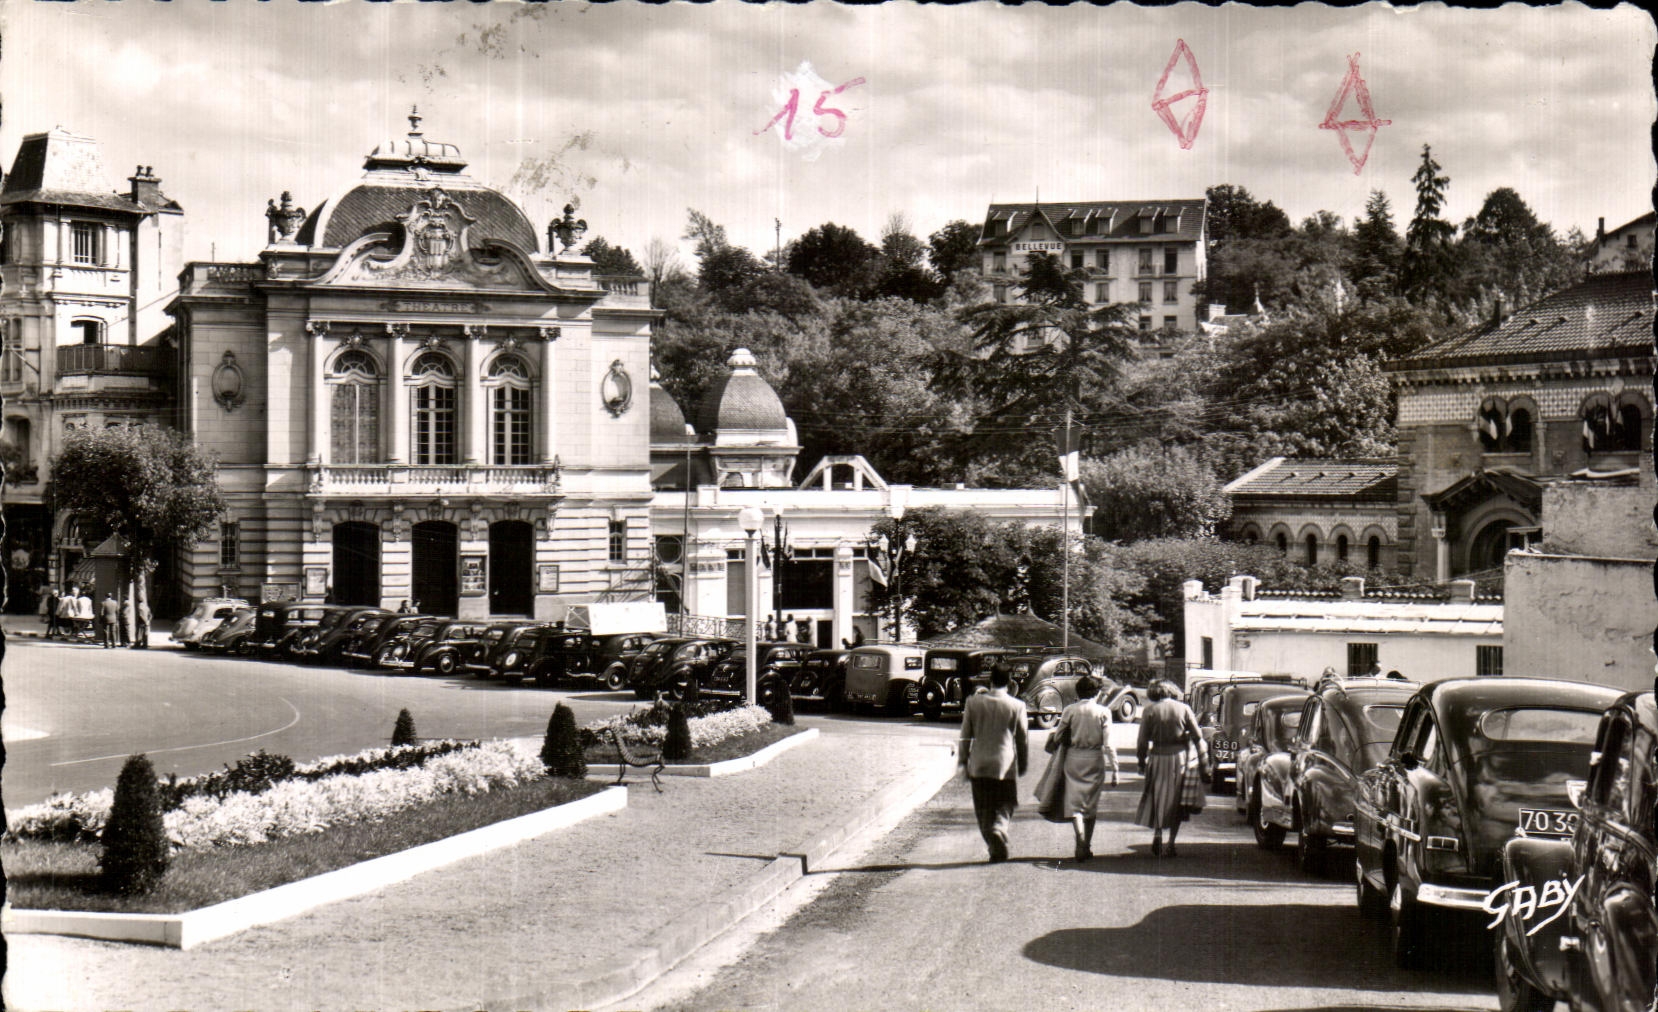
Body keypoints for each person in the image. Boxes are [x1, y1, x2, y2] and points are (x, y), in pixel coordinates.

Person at [958, 661, 1029, 863]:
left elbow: (965, 735)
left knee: (983, 809)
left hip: (979, 763)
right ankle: (1000, 827)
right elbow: (1022, 738)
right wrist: (1023, 762)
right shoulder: (1017, 705)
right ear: (1010, 681)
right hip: (1004, 764)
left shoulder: (973, 702)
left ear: (990, 680)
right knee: (1006, 802)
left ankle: (994, 846)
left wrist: (963, 760)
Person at [1051, 674, 1119, 862]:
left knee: (1075, 803)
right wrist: (1115, 769)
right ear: (1097, 693)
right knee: (1090, 805)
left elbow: (1057, 736)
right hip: (1095, 759)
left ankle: (1080, 840)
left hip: (1073, 758)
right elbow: (1109, 744)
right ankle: (1086, 845)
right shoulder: (1104, 712)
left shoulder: (1070, 710)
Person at [1135, 679, 1206, 858]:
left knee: (1158, 797)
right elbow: (1198, 735)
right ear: (1172, 691)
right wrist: (1202, 758)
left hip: (1157, 757)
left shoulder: (1149, 710)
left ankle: (1158, 833)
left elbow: (1142, 741)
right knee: (1177, 801)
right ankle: (1171, 843)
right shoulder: (1184, 709)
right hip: (1179, 758)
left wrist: (1141, 761)